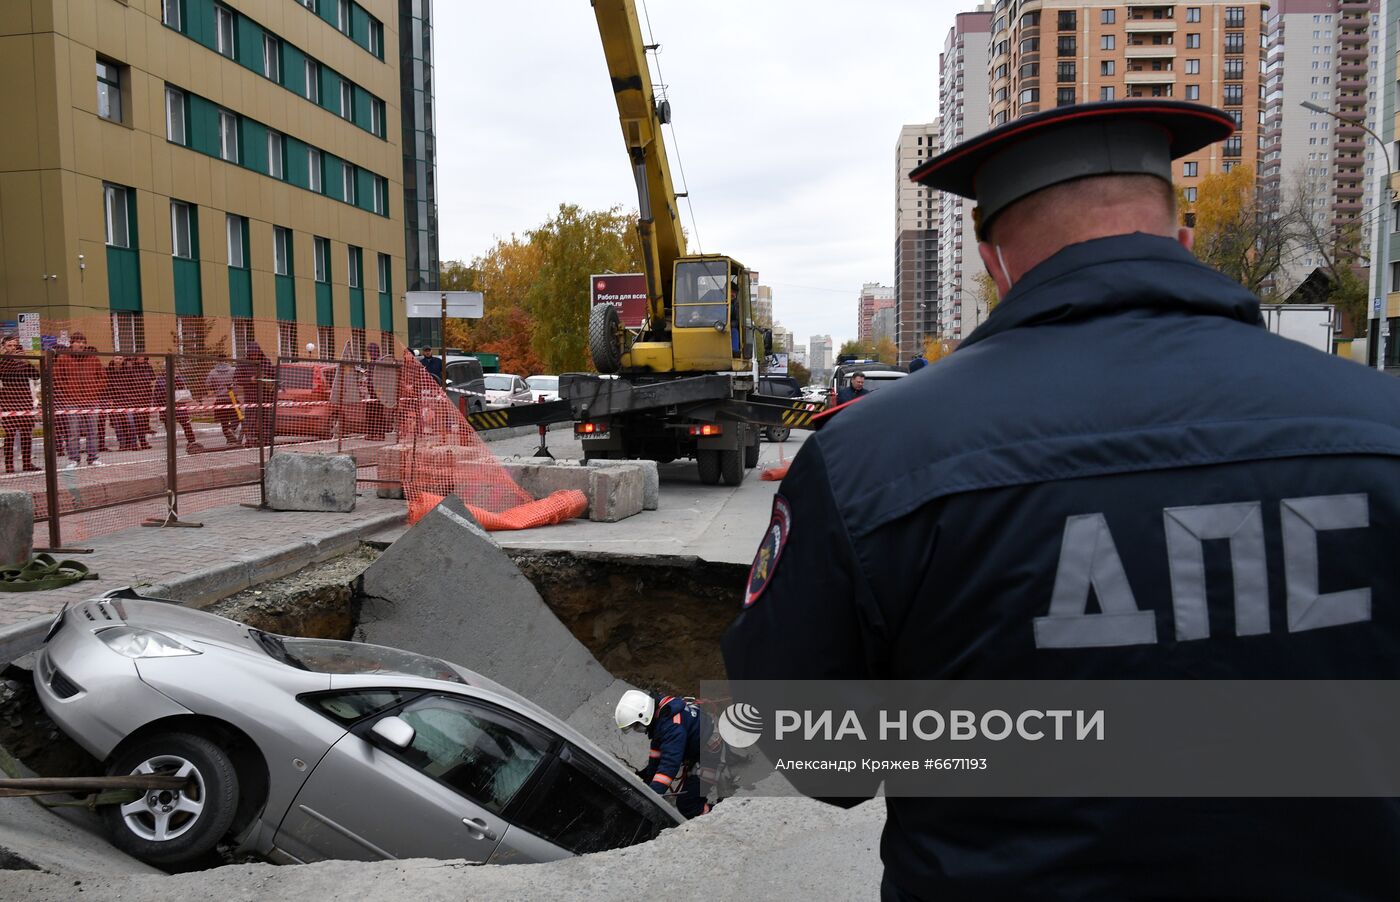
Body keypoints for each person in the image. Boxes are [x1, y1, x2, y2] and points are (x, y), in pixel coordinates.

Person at [721, 100, 1400, 901]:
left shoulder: (873, 459)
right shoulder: (1378, 426)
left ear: (995, 262)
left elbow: (815, 754)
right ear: (1181, 241)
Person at [614, 689, 711, 819]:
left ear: (644, 716)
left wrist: (651, 797)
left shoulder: (672, 727)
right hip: (698, 745)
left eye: (636, 726)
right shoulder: (660, 715)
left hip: (711, 755)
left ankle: (716, 813)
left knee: (687, 804)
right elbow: (657, 755)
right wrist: (648, 782)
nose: (636, 730)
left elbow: (669, 766)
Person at [52, 332, 105, 468]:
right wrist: (68, 390)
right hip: (72, 401)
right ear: (71, 343)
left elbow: (103, 377)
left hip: (91, 400)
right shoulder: (63, 359)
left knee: (93, 431)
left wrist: (95, 390)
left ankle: (93, 457)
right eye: (78, 342)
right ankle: (74, 459)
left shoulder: (93, 359)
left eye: (83, 342)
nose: (81, 344)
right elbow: (57, 378)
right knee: (73, 432)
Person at [0, 333, 39, 473]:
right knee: (10, 434)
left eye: (14, 345)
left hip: (24, 401)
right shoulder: (2, 361)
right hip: (8, 402)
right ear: (3, 347)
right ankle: (9, 465)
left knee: (26, 433)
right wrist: (10, 359)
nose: (12, 348)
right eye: (9, 345)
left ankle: (27, 463)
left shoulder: (22, 361)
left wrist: (24, 360)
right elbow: (3, 374)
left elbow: (35, 375)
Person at [204, 360, 239, 445]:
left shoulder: (213, 372)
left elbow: (207, 384)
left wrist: (216, 387)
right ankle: (232, 429)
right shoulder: (233, 370)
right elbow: (238, 379)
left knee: (224, 421)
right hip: (232, 398)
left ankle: (229, 438)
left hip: (220, 400)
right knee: (237, 417)